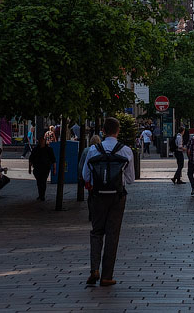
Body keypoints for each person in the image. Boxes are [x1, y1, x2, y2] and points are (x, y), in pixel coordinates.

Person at [82, 117, 135, 287]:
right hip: (117, 197)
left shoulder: (92, 150)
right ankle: (107, 276)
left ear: (103, 131)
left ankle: (93, 269)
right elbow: (131, 178)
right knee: (113, 234)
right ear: (118, 130)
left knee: (96, 231)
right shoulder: (126, 151)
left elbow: (86, 176)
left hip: (97, 195)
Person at [30, 135, 56, 202]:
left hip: (45, 168)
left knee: (43, 181)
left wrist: (54, 169)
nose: (41, 142)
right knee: (39, 182)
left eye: (42, 141)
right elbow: (31, 158)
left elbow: (53, 159)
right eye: (40, 141)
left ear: (45, 142)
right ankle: (40, 194)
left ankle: (42, 195)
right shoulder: (35, 149)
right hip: (37, 168)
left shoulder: (49, 149)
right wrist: (29, 168)